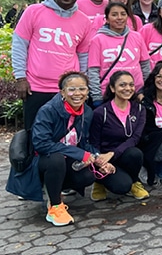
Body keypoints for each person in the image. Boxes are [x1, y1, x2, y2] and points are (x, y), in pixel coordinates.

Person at [29, 72, 109, 226]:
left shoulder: (87, 112)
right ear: (62, 92)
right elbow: (41, 143)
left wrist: (97, 157)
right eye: (72, 89)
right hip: (44, 161)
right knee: (56, 158)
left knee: (88, 176)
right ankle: (55, 207)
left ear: (87, 92)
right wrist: (80, 154)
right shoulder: (48, 110)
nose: (77, 93)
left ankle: (55, 188)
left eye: (82, 89)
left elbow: (84, 143)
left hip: (67, 161)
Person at [13, 0, 91, 130]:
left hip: (67, 89)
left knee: (66, 133)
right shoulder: (34, 11)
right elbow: (19, 45)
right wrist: (20, 77)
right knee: (34, 133)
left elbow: (83, 55)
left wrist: (81, 85)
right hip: (35, 87)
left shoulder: (84, 21)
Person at [89, 71, 150, 201]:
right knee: (121, 186)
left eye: (131, 85)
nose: (128, 88)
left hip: (122, 155)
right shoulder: (101, 112)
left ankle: (134, 182)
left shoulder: (139, 109)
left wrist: (113, 153)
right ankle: (99, 182)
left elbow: (134, 138)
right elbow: (93, 142)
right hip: (103, 158)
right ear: (112, 88)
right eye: (122, 85)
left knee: (135, 153)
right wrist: (100, 162)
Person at [87, 2, 151, 106]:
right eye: (114, 14)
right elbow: (93, 71)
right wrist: (96, 96)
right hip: (109, 94)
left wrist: (146, 90)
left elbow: (145, 65)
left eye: (123, 14)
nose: (119, 18)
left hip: (135, 92)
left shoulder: (137, 37)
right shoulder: (97, 40)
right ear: (107, 19)